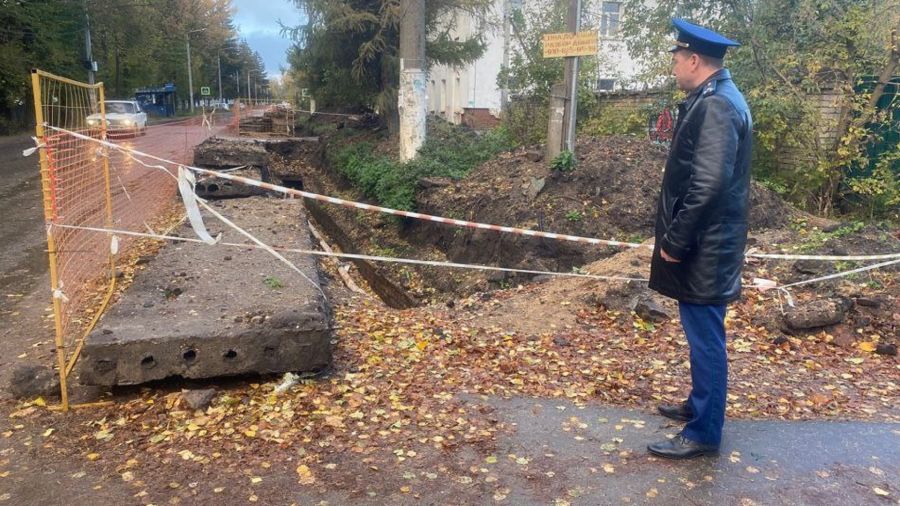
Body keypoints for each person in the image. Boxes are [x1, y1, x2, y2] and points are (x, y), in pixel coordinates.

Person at [646, 19, 753, 460]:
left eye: (676, 60)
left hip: (704, 247)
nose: (673, 68)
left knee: (706, 338)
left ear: (694, 60)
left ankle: (704, 431)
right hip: (710, 244)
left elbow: (707, 185)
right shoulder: (716, 98)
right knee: (702, 335)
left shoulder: (717, 106)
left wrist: (675, 240)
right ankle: (699, 406)